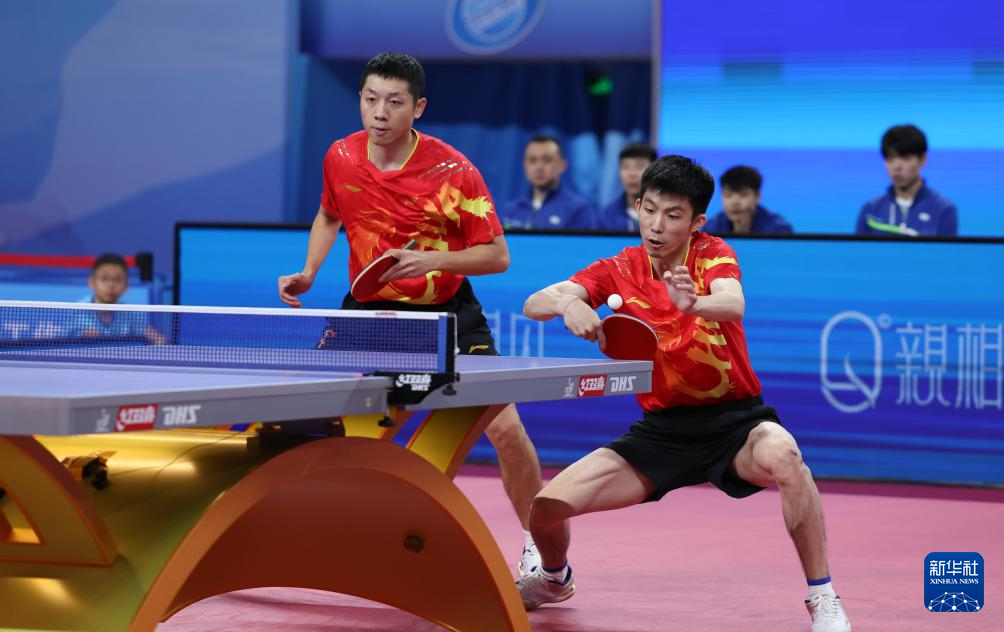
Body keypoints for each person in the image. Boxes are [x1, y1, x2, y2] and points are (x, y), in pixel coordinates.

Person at [518, 155, 851, 631]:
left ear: (696, 222)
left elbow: (733, 302)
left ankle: (823, 596)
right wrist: (569, 304)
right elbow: (535, 303)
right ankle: (554, 578)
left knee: (785, 455)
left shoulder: (711, 254)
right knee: (545, 509)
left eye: (673, 215)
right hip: (662, 432)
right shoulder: (618, 268)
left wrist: (693, 302)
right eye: (650, 210)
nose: (657, 225)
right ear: (637, 205)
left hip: (735, 425)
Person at [277, 52, 544, 576]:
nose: (380, 113)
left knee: (507, 431)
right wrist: (309, 272)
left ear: (417, 107)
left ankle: (543, 549)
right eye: (370, 99)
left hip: (445, 315)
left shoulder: (455, 171)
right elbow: (329, 213)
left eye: (394, 102)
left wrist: (434, 260)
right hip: (367, 313)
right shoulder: (340, 155)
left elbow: (497, 256)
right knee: (302, 420)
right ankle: (279, 534)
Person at [855, 124, 957, 237]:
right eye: (890, 158)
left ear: (923, 159)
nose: (896, 166)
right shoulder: (870, 211)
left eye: (905, 158)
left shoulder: (943, 209)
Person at [501, 135, 596, 230]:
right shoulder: (511, 210)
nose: (539, 167)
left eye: (547, 160)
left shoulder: (578, 210)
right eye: (533, 160)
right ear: (524, 166)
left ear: (562, 166)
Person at [71, 253, 164, 343]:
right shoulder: (78, 310)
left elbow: (154, 336)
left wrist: (160, 341)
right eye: (104, 278)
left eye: (118, 279)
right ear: (91, 282)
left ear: (126, 286)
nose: (111, 285)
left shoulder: (127, 313)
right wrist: (81, 336)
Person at [704, 165, 794, 234]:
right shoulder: (710, 229)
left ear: (757, 196)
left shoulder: (779, 230)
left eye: (743, 195)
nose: (735, 202)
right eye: (728, 195)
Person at [595, 142, 657, 232]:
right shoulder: (606, 216)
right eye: (626, 167)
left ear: (654, 171)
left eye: (639, 167)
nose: (631, 174)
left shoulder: (666, 213)